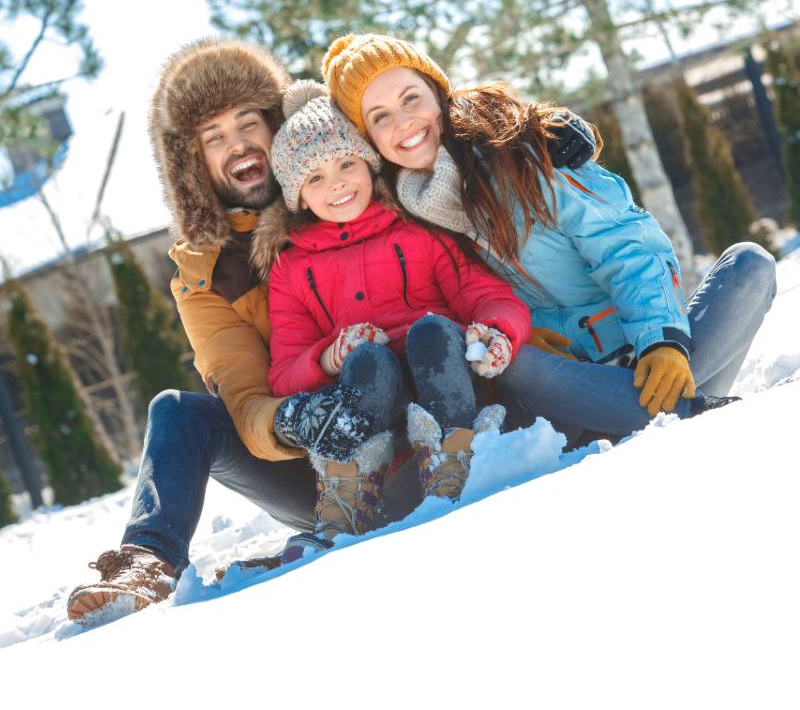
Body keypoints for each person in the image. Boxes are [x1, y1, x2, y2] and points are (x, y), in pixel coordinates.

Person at [65, 38, 593, 624]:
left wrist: (535, 128)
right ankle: (147, 561)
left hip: (435, 403)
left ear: (279, 123)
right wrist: (299, 419)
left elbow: (419, 111)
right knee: (177, 411)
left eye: (248, 121)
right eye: (213, 137)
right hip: (326, 462)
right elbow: (244, 396)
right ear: (193, 166)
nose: (238, 143)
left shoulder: (348, 173)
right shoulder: (205, 273)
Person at [321, 33, 777, 447]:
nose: (403, 122)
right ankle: (695, 414)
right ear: (368, 140)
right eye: (380, 117)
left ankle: (644, 415)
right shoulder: (407, 223)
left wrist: (661, 341)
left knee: (750, 264)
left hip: (648, 347)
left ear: (438, 93)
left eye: (411, 98)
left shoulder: (522, 153)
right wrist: (521, 329)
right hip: (571, 377)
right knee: (516, 363)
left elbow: (626, 245)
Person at [250, 80, 531, 546]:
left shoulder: (417, 228)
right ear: (297, 196)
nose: (336, 183)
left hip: (443, 382)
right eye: (314, 178)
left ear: (370, 164)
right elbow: (283, 374)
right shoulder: (291, 268)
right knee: (367, 361)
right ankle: (351, 494)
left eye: (346, 164)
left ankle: (454, 458)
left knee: (432, 331)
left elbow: (486, 294)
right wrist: (327, 358)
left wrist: (498, 331)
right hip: (371, 403)